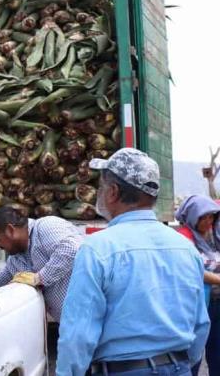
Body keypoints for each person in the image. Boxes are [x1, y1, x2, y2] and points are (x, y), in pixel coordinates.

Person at [57, 148, 210, 376]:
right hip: (178, 367)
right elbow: (200, 325)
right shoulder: (185, 248)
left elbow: (78, 334)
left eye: (101, 187)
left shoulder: (97, 249)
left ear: (113, 192)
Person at [0, 207, 82, 322]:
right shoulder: (15, 260)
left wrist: (39, 278)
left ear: (10, 230)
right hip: (70, 323)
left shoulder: (45, 227)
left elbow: (72, 249)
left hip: (90, 313)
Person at [175, 195, 220, 376]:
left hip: (216, 302)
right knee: (193, 352)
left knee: (217, 351)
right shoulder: (183, 238)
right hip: (197, 305)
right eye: (204, 217)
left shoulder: (214, 234)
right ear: (193, 216)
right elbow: (194, 271)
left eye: (211, 216)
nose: (208, 221)